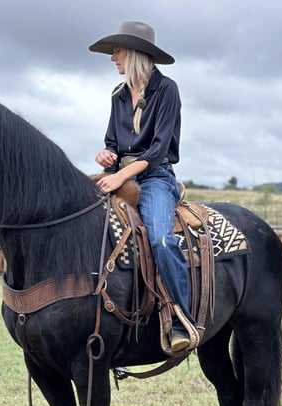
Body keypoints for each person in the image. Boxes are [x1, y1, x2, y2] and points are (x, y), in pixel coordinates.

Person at [89, 21, 200, 353]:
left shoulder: (167, 91)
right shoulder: (118, 95)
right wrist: (106, 155)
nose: (113, 59)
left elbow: (157, 151)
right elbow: (113, 141)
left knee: (162, 241)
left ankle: (182, 318)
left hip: (154, 177)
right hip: (121, 173)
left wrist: (121, 177)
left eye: (117, 51)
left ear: (134, 53)